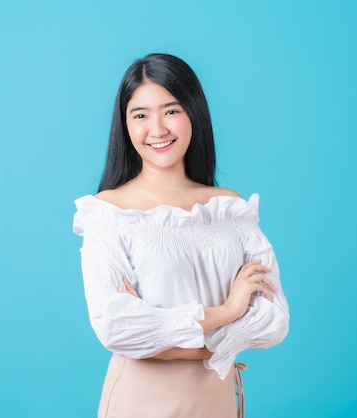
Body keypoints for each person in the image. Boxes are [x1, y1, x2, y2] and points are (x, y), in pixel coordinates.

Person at [73, 53, 289, 418]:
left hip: (217, 402)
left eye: (171, 111)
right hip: (141, 402)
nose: (157, 130)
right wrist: (229, 312)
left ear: (194, 113)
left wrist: (160, 332)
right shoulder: (109, 213)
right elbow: (118, 329)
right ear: (125, 124)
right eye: (140, 115)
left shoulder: (229, 210)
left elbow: (272, 321)